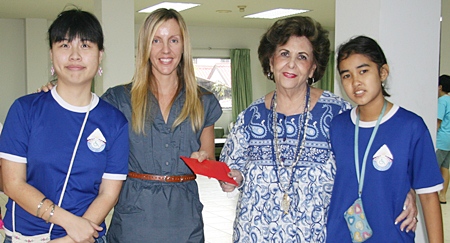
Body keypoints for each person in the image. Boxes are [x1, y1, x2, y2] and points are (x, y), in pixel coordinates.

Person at [218, 16, 418, 242]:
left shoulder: (339, 115)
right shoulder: (250, 117)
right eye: (284, 54)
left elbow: (373, 159)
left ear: (313, 68)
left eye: (302, 57)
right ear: (271, 61)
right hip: (254, 233)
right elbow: (231, 170)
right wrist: (233, 178)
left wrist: (406, 190)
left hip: (318, 234)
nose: (291, 64)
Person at [40, 8, 221, 242]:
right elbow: (78, 131)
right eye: (156, 40)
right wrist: (55, 93)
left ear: (183, 45)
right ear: (145, 46)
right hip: (134, 219)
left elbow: (208, 157)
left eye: (173, 40)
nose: (165, 50)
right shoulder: (118, 99)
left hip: (185, 219)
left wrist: (204, 159)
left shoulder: (203, 100)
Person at [0, 8, 129, 243]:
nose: (75, 56)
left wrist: (72, 239)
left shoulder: (115, 123)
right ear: (51, 54)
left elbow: (108, 193)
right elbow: (12, 183)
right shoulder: (25, 110)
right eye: (64, 45)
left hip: (83, 238)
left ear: (100, 55)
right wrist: (69, 222)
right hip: (24, 237)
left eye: (86, 46)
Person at [326, 35, 443, 242]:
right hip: (341, 236)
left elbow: (428, 195)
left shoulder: (410, 127)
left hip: (391, 236)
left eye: (363, 71)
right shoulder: (338, 126)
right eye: (346, 75)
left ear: (382, 72)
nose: (356, 82)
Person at [436, 74, 450, 204]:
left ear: (440, 87)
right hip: (449, 140)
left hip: (441, 140)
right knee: (445, 167)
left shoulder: (442, 101)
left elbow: (438, 121)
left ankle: (432, 195)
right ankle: (443, 195)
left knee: (434, 166)